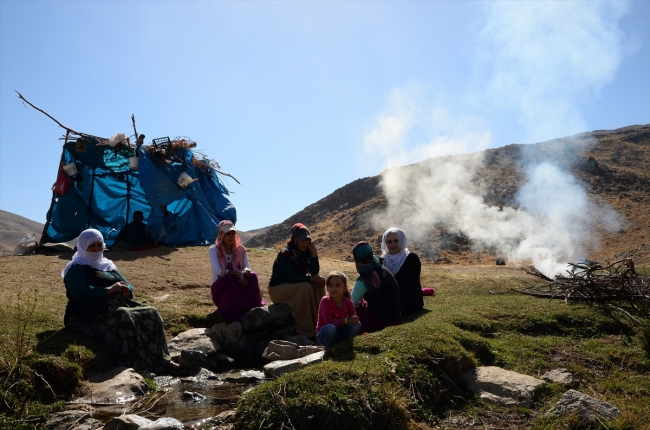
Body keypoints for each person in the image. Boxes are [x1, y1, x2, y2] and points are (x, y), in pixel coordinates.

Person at [62, 229, 177, 373]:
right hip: (87, 314)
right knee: (123, 316)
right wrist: (107, 290)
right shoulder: (76, 267)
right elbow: (79, 292)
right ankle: (135, 367)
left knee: (151, 312)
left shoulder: (107, 265)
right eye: (91, 246)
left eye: (99, 245)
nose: (97, 249)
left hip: (115, 306)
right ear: (83, 247)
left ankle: (162, 362)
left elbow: (127, 284)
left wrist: (127, 290)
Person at [268, 223, 326, 338]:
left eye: (307, 240)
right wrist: (312, 278)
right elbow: (292, 278)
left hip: (294, 286)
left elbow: (314, 271)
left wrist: (314, 253)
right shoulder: (286, 254)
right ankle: (306, 331)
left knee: (317, 284)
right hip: (277, 290)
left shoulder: (305, 253)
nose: (305, 243)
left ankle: (320, 325)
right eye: (301, 240)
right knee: (305, 287)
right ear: (295, 239)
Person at [208, 220, 265, 323]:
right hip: (221, 284)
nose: (231, 237)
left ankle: (252, 306)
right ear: (221, 234)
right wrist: (239, 274)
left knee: (252, 276)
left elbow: (246, 266)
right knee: (230, 278)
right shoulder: (214, 249)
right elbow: (219, 271)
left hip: (238, 279)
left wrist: (246, 271)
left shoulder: (241, 249)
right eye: (227, 234)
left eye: (233, 233)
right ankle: (231, 310)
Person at [350, 241, 401, 333]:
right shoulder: (383, 270)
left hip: (380, 321)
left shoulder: (366, 277)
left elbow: (350, 304)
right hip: (396, 318)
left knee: (356, 310)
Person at [380, 227, 424, 315]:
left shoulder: (411, 258)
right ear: (385, 243)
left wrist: (391, 294)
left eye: (396, 241)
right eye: (389, 242)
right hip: (388, 295)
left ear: (402, 240)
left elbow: (409, 283)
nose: (393, 244)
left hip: (408, 295)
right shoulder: (382, 260)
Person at [315, 271, 362, 349]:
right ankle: (330, 348)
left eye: (338, 285)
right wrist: (346, 320)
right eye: (331, 285)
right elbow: (328, 322)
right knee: (331, 328)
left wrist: (353, 320)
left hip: (340, 332)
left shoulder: (348, 302)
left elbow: (353, 320)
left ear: (345, 288)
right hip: (325, 333)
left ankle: (343, 345)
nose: (334, 288)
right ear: (327, 288)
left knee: (357, 325)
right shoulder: (325, 301)